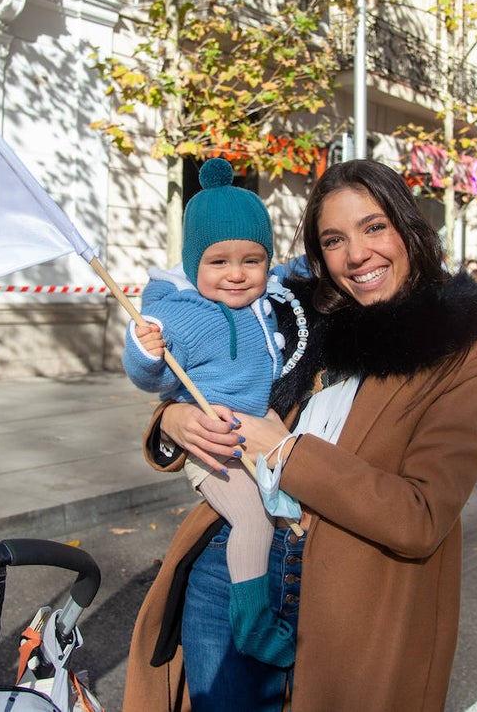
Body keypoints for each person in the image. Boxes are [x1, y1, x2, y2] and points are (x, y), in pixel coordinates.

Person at [123, 159, 477, 712]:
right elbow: (207, 374)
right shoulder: (301, 316)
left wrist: (284, 452)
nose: (356, 254)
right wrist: (173, 422)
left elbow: (420, 516)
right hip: (227, 572)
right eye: (333, 239)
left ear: (409, 229)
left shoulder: (462, 356)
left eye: (374, 227)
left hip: (346, 606)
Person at [123, 157, 296, 668]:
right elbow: (151, 378)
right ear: (194, 262)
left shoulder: (271, 302)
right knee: (253, 519)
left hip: (261, 433)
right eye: (218, 262)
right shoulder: (182, 313)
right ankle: (252, 625)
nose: (238, 275)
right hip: (216, 447)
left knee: (286, 509)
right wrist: (146, 348)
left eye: (253, 260)